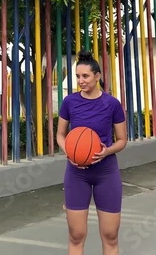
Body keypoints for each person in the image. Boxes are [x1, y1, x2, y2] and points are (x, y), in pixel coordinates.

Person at [56, 50, 127, 255]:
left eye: (85, 76)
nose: (80, 80)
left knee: (110, 235)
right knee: (76, 235)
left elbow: (122, 141)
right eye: (77, 76)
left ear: (97, 76)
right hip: (77, 174)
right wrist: (70, 152)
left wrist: (106, 151)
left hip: (106, 172)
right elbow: (61, 135)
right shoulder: (69, 102)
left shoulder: (112, 104)